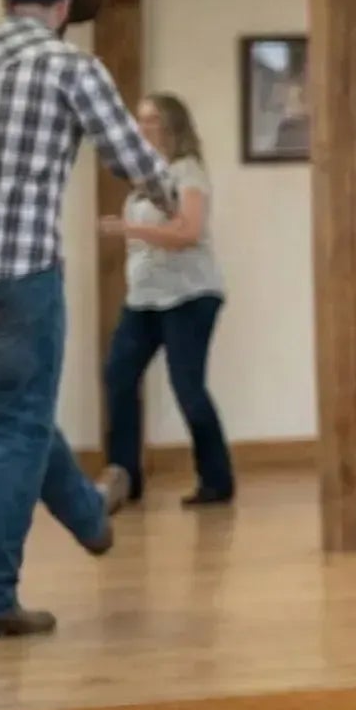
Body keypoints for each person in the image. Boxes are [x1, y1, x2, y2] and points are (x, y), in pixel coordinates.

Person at [0, 0, 172, 641]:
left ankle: (90, 518)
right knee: (22, 425)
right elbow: (132, 157)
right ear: (63, 8)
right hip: (19, 271)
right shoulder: (71, 64)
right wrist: (168, 192)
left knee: (18, 420)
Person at [99, 92, 235, 509]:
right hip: (144, 299)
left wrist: (129, 230)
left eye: (152, 120)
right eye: (139, 120)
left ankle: (217, 481)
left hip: (190, 296)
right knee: (118, 376)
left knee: (187, 387)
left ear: (174, 125)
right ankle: (125, 477)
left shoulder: (187, 172)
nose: (143, 128)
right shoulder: (147, 177)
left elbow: (188, 232)